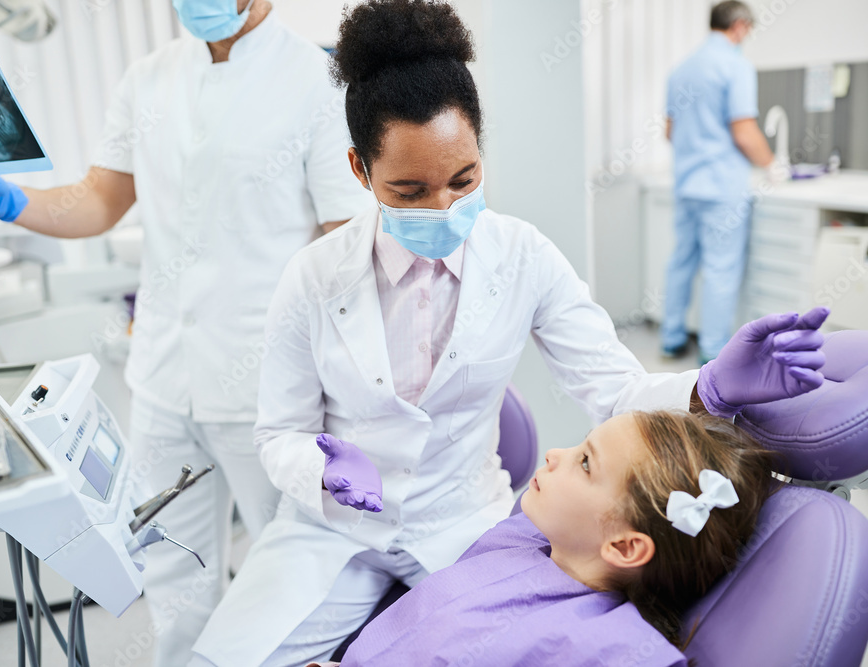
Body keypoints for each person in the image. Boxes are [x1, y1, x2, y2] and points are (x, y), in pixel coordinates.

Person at [189, 2, 827, 665]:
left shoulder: (524, 257)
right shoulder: (313, 277)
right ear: (359, 170)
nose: (443, 208)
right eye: (410, 191)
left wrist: (710, 383)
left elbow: (616, 389)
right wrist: (322, 468)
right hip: (333, 531)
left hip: (463, 525)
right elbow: (277, 434)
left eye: (463, 180)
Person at [0, 1, 371, 663]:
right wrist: (14, 201)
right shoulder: (148, 77)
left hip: (270, 382)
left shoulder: (318, 84)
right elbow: (101, 198)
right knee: (174, 573)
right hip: (165, 379)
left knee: (284, 573)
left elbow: (345, 241)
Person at [311, 409, 776, 666]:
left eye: (586, 462)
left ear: (625, 546)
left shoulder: (608, 647)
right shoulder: (523, 538)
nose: (556, 453)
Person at [661, 0, 777, 364]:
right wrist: (772, 164)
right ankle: (713, 353)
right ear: (740, 26)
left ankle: (671, 338)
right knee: (720, 269)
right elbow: (744, 131)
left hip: (687, 185)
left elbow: (670, 131)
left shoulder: (680, 70)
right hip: (721, 187)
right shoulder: (736, 66)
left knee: (681, 261)